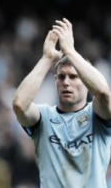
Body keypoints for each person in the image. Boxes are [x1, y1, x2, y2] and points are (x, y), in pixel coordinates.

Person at [12, 18, 111, 187]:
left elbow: (103, 93)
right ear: (55, 80)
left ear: (86, 82)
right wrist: (47, 58)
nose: (66, 82)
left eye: (73, 77)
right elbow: (19, 104)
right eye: (61, 77)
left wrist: (70, 51)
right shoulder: (43, 117)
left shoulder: (96, 115)